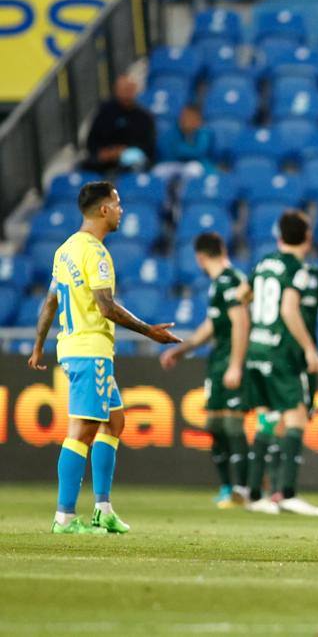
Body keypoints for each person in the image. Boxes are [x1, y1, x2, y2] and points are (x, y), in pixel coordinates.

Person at [26, 181, 181, 534]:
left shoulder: (65, 249)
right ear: (103, 210)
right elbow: (105, 307)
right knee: (82, 431)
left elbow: (51, 301)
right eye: (117, 203)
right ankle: (64, 517)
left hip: (76, 347)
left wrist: (38, 344)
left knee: (114, 423)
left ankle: (103, 509)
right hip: (89, 349)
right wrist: (150, 331)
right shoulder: (95, 253)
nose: (122, 210)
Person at [243, 210, 318, 517]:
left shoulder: (264, 263)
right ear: (307, 237)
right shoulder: (298, 268)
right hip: (280, 353)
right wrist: (310, 348)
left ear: (280, 237)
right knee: (296, 419)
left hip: (257, 349)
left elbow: (242, 295)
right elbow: (290, 310)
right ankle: (287, 493)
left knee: (266, 419)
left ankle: (254, 493)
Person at [159, 232, 250, 508]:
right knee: (215, 425)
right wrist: (181, 349)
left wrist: (236, 364)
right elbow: (210, 327)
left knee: (233, 425)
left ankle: (242, 490)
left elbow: (241, 323)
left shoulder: (231, 281)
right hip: (218, 359)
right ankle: (227, 488)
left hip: (231, 359)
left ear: (199, 257)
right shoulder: (219, 284)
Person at [265, 259, 318, 502]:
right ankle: (280, 490)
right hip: (288, 356)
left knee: (281, 419)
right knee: (290, 418)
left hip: (289, 358)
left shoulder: (313, 275)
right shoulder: (285, 271)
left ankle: (268, 489)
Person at [83, 75, 156, 173]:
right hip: (104, 161)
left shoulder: (144, 117)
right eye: (123, 89)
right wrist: (106, 153)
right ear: (116, 90)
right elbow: (91, 142)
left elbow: (148, 146)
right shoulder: (104, 113)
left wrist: (123, 151)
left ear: (136, 91)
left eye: (129, 89)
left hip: (131, 162)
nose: (126, 93)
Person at [161, 105, 215, 171]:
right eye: (183, 116)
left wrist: (182, 148)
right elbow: (173, 149)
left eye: (189, 117)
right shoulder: (175, 131)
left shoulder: (204, 132)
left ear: (198, 119)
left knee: (192, 168)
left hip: (199, 164)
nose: (184, 119)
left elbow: (198, 152)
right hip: (178, 163)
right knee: (160, 169)